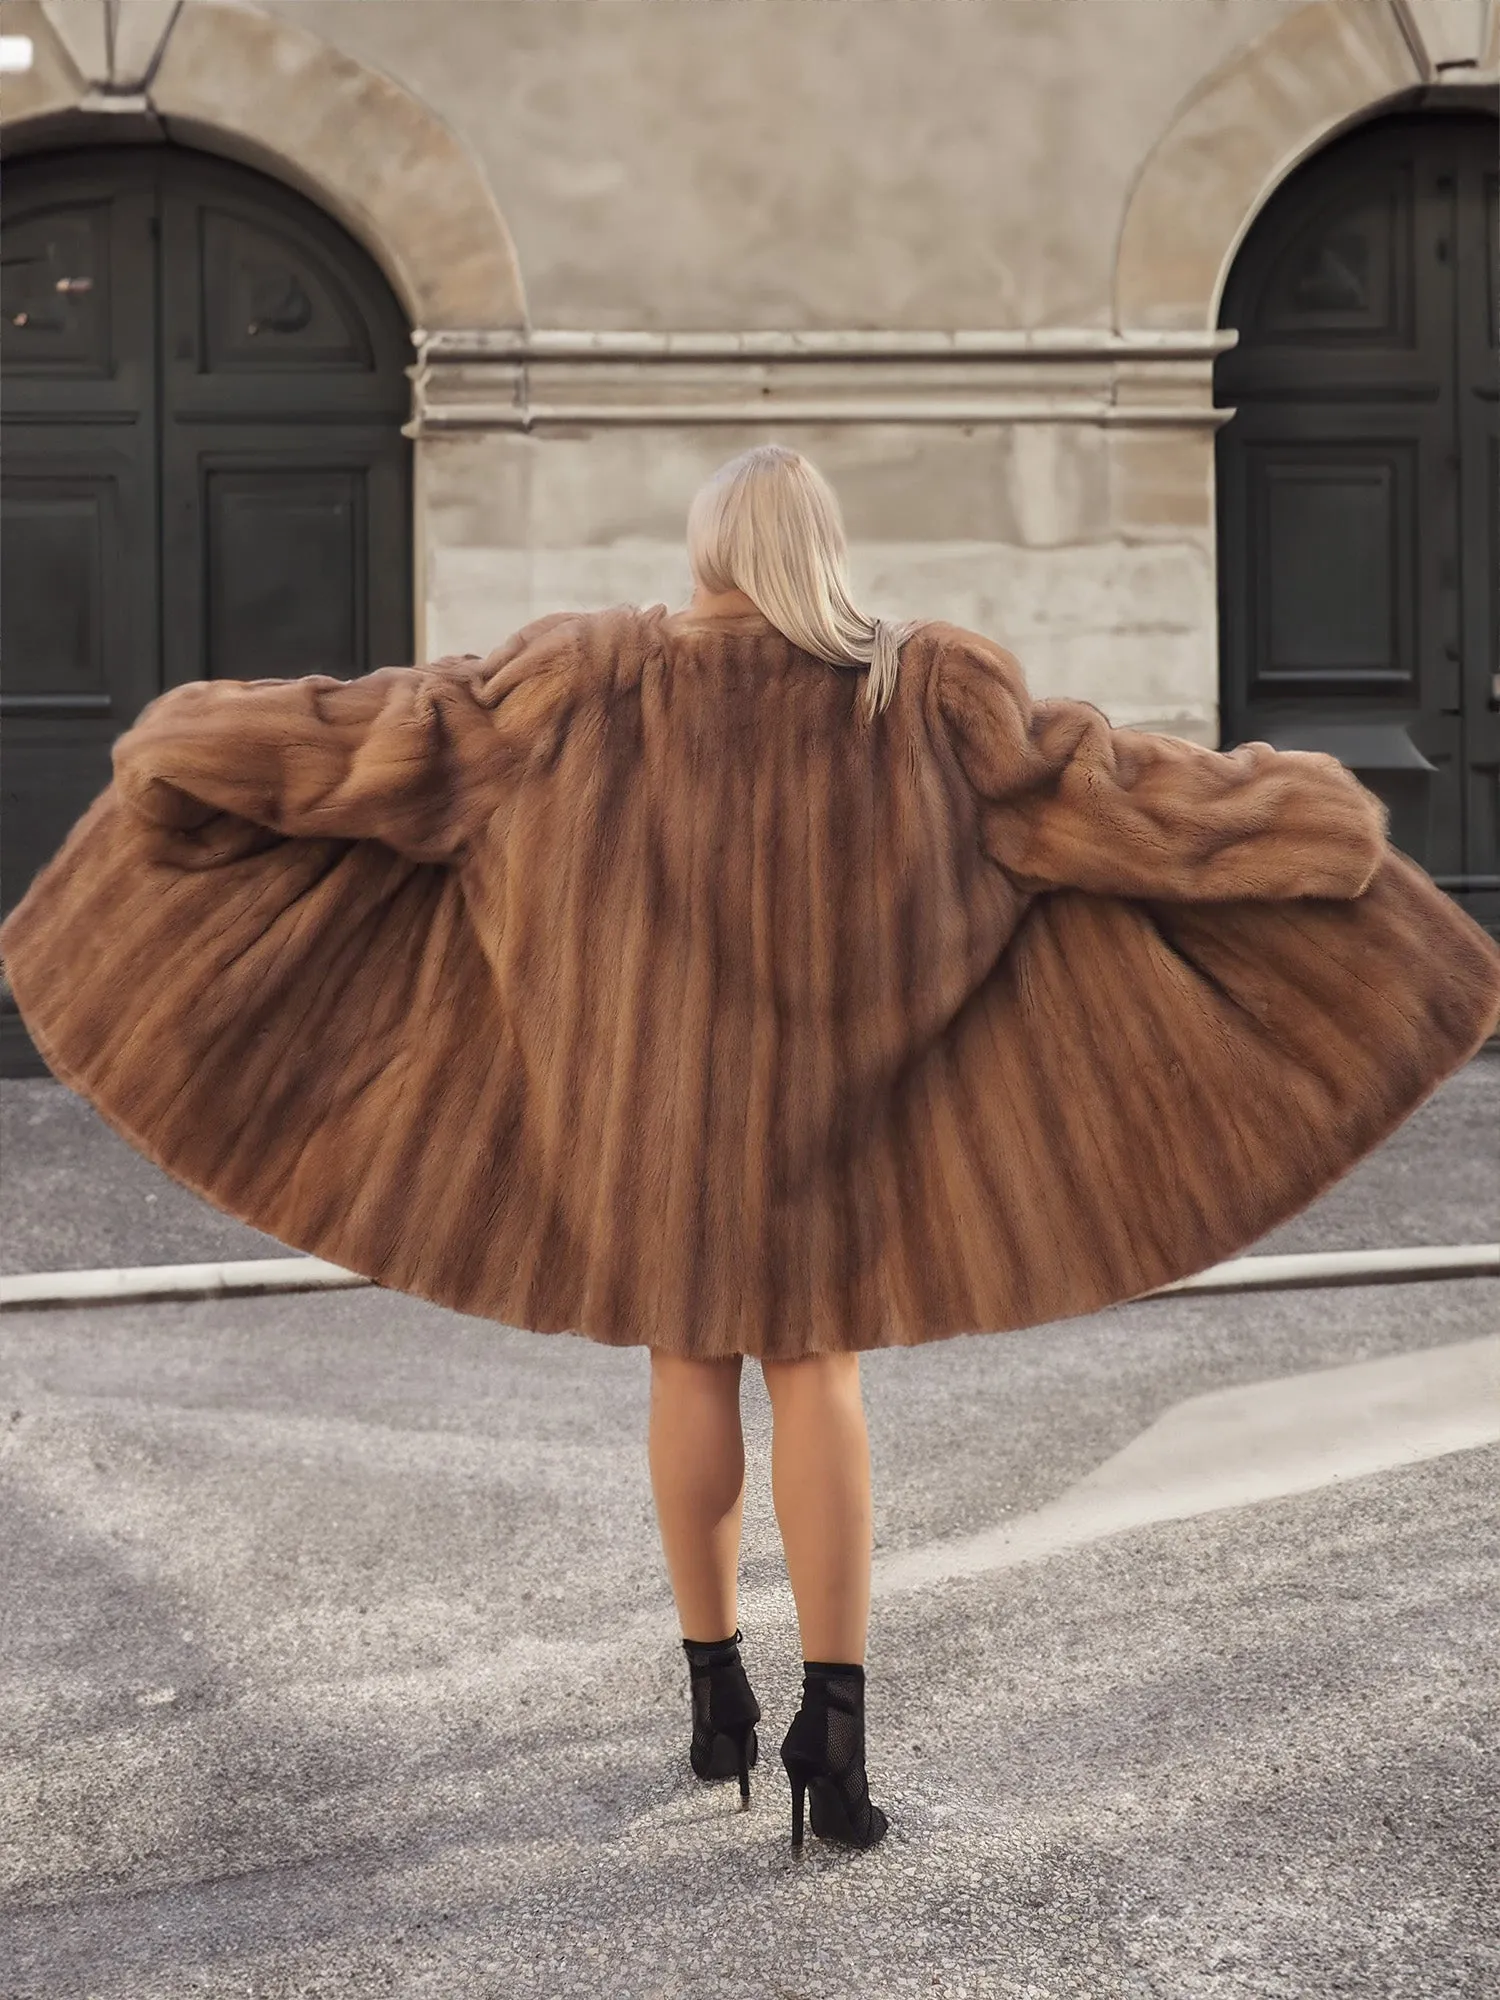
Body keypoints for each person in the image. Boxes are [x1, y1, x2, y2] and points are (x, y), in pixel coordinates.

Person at [4, 446, 1498, 1857]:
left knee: (686, 1365)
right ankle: (832, 1746)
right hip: (840, 1134)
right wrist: (1307, 824)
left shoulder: (577, 684)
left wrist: (186, 746)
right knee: (820, 1378)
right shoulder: (934, 692)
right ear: (822, 553)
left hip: (647, 1134)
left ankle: (713, 1694)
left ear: (709, 551)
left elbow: (371, 744)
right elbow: (1123, 801)